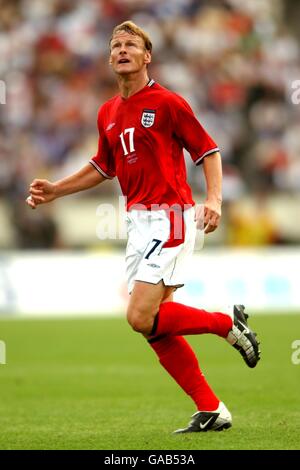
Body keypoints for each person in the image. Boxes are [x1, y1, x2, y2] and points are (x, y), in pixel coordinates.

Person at [26, 21, 260, 433]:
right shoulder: (108, 112)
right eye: (115, 45)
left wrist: (214, 200)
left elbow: (208, 150)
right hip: (138, 224)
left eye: (131, 44)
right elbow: (104, 166)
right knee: (155, 324)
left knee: (138, 316)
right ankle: (211, 409)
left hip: (170, 218)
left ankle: (226, 324)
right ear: (109, 58)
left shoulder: (168, 102)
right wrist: (56, 190)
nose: (121, 49)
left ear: (146, 56)